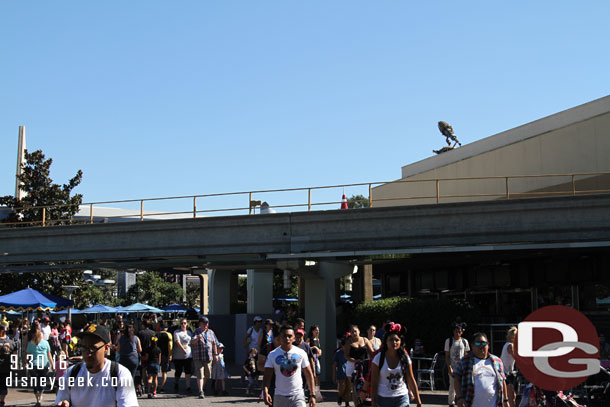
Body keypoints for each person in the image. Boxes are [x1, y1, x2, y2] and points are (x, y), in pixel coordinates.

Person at [55, 324, 138, 407]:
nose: (88, 354)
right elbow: (61, 401)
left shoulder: (120, 374)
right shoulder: (71, 373)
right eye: (84, 348)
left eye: (93, 348)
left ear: (106, 348)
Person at [263, 325, 317, 407]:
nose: (287, 339)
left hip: (297, 395)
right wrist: (265, 392)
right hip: (279, 396)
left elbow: (309, 374)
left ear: (294, 338)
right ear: (280, 338)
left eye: (290, 336)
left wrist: (312, 395)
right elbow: (267, 376)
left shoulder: (301, 353)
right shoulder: (272, 355)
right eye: (284, 336)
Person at [370, 322, 421, 407]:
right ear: (386, 341)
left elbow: (411, 380)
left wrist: (418, 401)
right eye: (391, 340)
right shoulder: (378, 359)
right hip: (383, 399)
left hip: (401, 398)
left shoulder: (405, 358)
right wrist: (373, 402)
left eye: (397, 340)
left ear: (401, 342)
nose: (394, 342)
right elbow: (374, 383)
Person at [453, 332, 508, 407]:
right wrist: (459, 398)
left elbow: (503, 381)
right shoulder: (465, 361)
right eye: (478, 344)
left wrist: (505, 400)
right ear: (472, 345)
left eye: (484, 343)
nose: (481, 346)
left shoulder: (497, 361)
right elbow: (456, 379)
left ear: (488, 345)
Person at [344, 324, 375, 407]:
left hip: (365, 365)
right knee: (354, 386)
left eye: (355, 331)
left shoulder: (365, 340)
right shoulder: (349, 342)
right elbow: (346, 356)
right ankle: (356, 404)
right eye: (352, 332)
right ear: (350, 333)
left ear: (359, 331)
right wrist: (355, 360)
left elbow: (372, 352)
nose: (354, 333)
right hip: (352, 365)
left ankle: (365, 401)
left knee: (366, 383)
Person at [190, 316, 219, 399]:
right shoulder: (196, 332)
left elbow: (214, 343)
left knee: (208, 374)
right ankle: (200, 391)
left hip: (208, 357)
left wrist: (216, 354)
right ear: (200, 324)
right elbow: (192, 342)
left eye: (207, 323)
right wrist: (198, 338)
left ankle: (202, 386)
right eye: (204, 323)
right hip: (198, 357)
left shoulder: (211, 332)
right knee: (200, 374)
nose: (206, 325)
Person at [26, 325, 54, 407]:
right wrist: (52, 364)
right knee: (42, 381)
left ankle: (37, 399)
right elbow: (49, 355)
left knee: (35, 382)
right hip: (44, 364)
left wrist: (26, 363)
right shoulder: (46, 343)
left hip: (33, 364)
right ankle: (40, 395)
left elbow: (28, 355)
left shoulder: (30, 343)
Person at [445, 322, 470, 407]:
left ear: (462, 332)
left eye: (459, 331)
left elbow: (466, 354)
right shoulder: (449, 341)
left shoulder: (464, 341)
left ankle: (462, 401)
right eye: (456, 331)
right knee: (452, 386)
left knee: (463, 385)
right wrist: (449, 367)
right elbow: (447, 356)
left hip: (462, 367)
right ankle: (451, 402)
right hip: (453, 366)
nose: (457, 333)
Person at [116, 323, 142, 391]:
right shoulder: (136, 338)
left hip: (124, 358)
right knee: (132, 375)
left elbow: (118, 350)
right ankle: (131, 390)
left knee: (124, 375)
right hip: (133, 358)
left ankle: (123, 389)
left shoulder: (121, 338)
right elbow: (140, 349)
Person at [172, 317, 193, 393]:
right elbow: (177, 341)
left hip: (188, 355)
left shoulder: (189, 333)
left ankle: (188, 386)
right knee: (178, 371)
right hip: (178, 356)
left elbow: (191, 342)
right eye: (182, 323)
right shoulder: (176, 332)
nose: (183, 324)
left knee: (188, 371)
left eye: (184, 323)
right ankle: (176, 382)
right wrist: (183, 349)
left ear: (187, 324)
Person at [500, 327, 517, 407]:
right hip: (505, 373)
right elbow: (517, 357)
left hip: (508, 373)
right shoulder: (510, 346)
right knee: (511, 395)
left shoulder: (509, 344)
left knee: (512, 395)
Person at [0, 324, 17, 407]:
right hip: (6, 367)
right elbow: (15, 355)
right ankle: (2, 401)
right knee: (3, 384)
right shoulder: (11, 342)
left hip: (4, 367)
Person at [333, 335, 351, 407]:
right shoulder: (338, 353)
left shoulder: (350, 352)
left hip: (349, 373)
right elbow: (334, 364)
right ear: (342, 346)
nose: (347, 347)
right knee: (342, 388)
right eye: (345, 346)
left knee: (348, 389)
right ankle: (340, 396)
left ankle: (347, 402)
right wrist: (334, 375)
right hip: (341, 373)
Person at [156, 322, 173, 393]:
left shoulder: (155, 334)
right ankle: (162, 387)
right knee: (164, 371)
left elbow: (153, 343)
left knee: (156, 372)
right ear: (167, 328)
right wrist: (170, 355)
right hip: (165, 355)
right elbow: (170, 345)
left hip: (156, 355)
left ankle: (155, 386)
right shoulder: (169, 335)